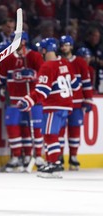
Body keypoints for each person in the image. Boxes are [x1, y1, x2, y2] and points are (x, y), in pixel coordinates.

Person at [17, 37, 80, 178]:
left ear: (44, 50)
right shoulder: (65, 63)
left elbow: (42, 91)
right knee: (56, 136)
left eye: (41, 50)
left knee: (50, 135)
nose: (40, 52)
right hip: (67, 107)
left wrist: (28, 100)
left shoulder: (47, 66)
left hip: (54, 106)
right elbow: (76, 85)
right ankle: (54, 162)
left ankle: (54, 165)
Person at [0, 32, 45, 172]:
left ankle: (35, 156)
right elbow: (1, 79)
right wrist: (2, 90)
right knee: (12, 127)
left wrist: (32, 74)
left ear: (24, 42)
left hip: (32, 100)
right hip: (13, 100)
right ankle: (17, 157)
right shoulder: (7, 58)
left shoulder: (34, 56)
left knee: (33, 128)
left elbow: (44, 76)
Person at [59, 35, 93, 170]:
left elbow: (86, 82)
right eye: (62, 45)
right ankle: (58, 157)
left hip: (77, 104)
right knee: (59, 132)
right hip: (61, 103)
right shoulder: (59, 62)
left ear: (71, 46)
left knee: (74, 131)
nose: (64, 47)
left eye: (66, 44)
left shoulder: (80, 62)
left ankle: (73, 156)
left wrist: (88, 99)